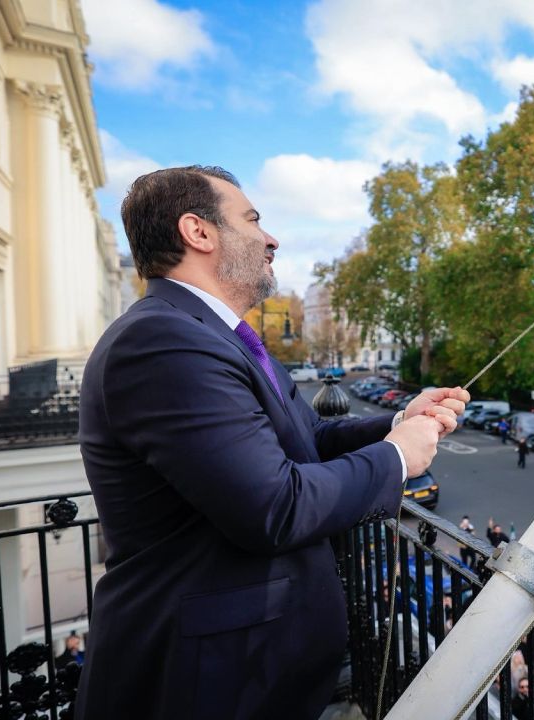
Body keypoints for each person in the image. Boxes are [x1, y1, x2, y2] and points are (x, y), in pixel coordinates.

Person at [76, 166, 466, 720]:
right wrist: (399, 456)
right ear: (199, 232)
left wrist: (399, 420)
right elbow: (274, 507)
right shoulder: (161, 341)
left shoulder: (215, 334)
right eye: (253, 220)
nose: (271, 238)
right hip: (207, 680)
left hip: (245, 668)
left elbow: (308, 438)